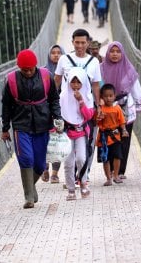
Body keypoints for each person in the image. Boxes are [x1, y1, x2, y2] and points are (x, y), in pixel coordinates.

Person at [1, 49, 64, 209]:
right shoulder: (11, 80)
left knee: (41, 164)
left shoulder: (46, 76)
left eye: (31, 69)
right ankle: (29, 197)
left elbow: (54, 99)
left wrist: (57, 117)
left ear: (35, 65)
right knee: (26, 158)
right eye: (24, 70)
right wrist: (5, 128)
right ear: (19, 68)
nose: (28, 72)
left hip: (43, 124)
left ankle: (31, 186)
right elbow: (6, 106)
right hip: (21, 125)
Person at [100, 42, 141, 179]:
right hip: (107, 110)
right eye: (112, 51)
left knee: (124, 139)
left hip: (125, 110)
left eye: (117, 51)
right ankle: (111, 171)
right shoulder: (100, 69)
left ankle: (120, 171)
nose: (114, 54)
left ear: (122, 53)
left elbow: (136, 89)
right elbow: (96, 87)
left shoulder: (128, 70)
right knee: (109, 139)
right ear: (107, 53)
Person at [54, 29, 103, 185]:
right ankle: (71, 177)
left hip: (85, 110)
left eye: (83, 42)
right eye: (77, 42)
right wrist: (52, 103)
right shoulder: (64, 59)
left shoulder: (94, 62)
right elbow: (56, 81)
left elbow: (95, 85)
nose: (80, 46)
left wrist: (98, 105)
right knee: (68, 144)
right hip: (66, 110)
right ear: (72, 42)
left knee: (86, 143)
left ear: (88, 43)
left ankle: (82, 176)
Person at [60, 67, 96, 200]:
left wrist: (81, 101)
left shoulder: (87, 95)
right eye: (73, 82)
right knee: (68, 163)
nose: (75, 85)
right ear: (68, 82)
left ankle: (83, 184)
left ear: (83, 83)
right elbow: (58, 114)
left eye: (78, 82)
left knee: (81, 158)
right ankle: (70, 190)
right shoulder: (63, 96)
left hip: (81, 132)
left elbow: (88, 116)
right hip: (67, 133)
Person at [95, 83, 129, 186]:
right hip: (104, 138)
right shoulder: (101, 109)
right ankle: (108, 178)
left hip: (115, 136)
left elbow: (121, 121)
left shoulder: (117, 108)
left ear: (114, 96)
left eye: (111, 96)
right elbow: (97, 123)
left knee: (117, 156)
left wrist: (124, 130)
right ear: (101, 97)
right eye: (106, 96)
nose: (108, 98)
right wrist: (99, 118)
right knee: (106, 158)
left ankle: (116, 175)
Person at [42, 44, 64, 183]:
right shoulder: (42, 72)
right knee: (44, 141)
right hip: (45, 112)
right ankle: (45, 167)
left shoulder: (67, 71)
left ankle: (55, 173)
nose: (56, 55)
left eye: (59, 53)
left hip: (62, 111)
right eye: (53, 53)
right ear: (49, 55)